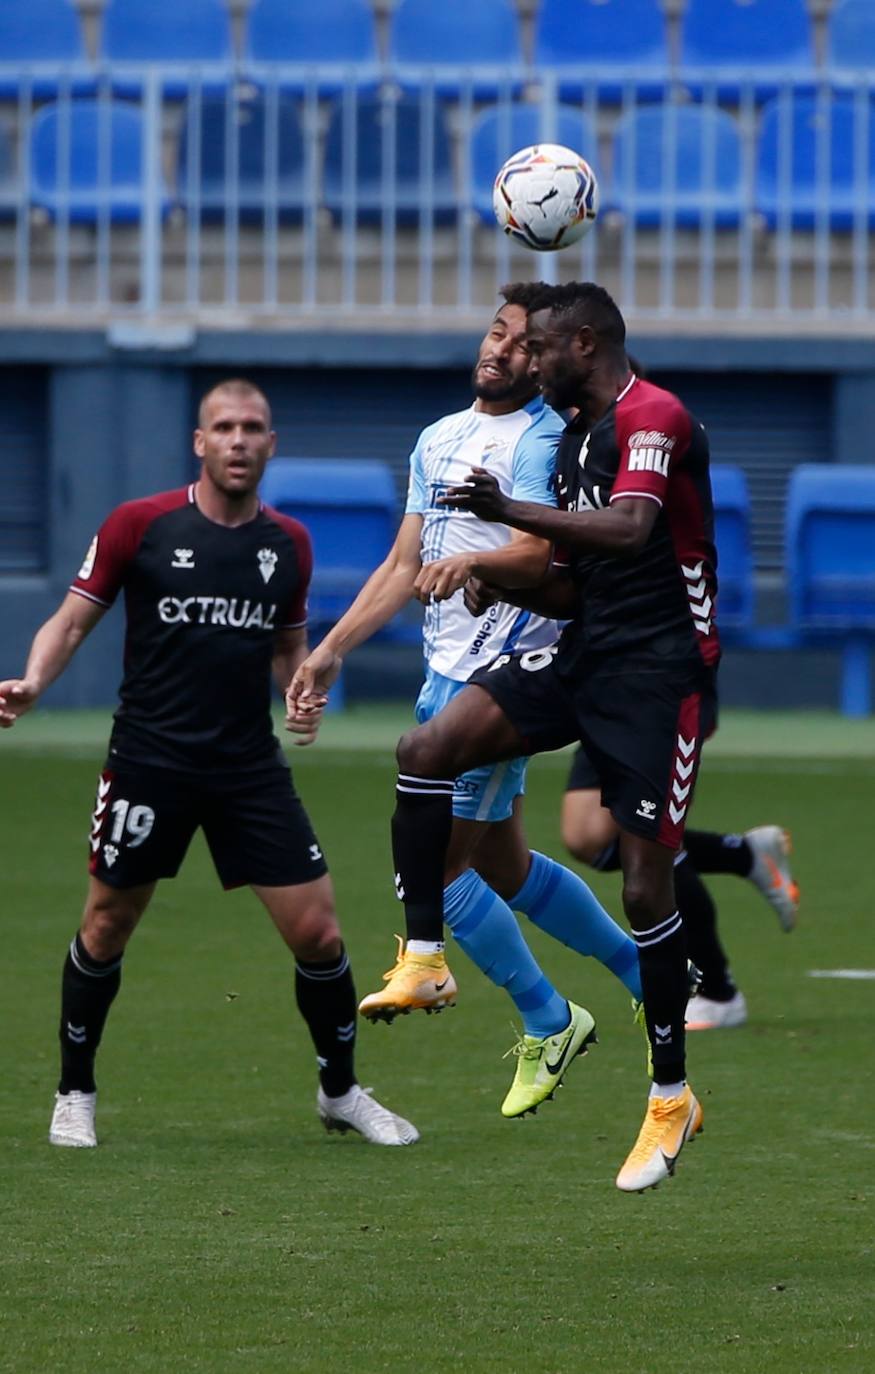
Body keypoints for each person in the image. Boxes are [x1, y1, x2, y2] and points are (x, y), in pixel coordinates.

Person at [342, 280, 721, 1193]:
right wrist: (493, 579)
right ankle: (426, 956)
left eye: (540, 348)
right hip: (586, 653)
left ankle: (669, 1098)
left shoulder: (652, 416)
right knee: (426, 750)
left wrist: (498, 521)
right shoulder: (578, 436)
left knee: (639, 881)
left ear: (582, 345)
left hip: (660, 675)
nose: (526, 361)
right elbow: (569, 584)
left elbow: (629, 533)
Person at [0, 377, 418, 1150]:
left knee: (319, 933)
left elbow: (286, 644)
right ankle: (74, 1091)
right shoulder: (139, 525)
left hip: (246, 768)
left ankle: (340, 1091)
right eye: (222, 427)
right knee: (105, 924)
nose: (236, 440)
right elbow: (69, 620)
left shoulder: (287, 542)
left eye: (251, 427)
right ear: (199, 442)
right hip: (148, 761)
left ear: (269, 444)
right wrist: (33, 683)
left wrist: (296, 687)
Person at [288, 284, 644, 1121]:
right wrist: (331, 649)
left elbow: (536, 546)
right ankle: (640, 972)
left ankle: (546, 1016)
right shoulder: (439, 437)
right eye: (495, 331)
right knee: (500, 866)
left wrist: (481, 568)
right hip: (443, 666)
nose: (501, 348)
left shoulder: (545, 438)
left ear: (548, 360)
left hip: (503, 668)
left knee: (435, 872)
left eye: (522, 342)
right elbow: (402, 563)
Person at [562, 746, 800, 1029]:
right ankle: (745, 854)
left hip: (655, 711)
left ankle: (717, 993)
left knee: (654, 835)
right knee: (586, 838)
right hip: (598, 709)